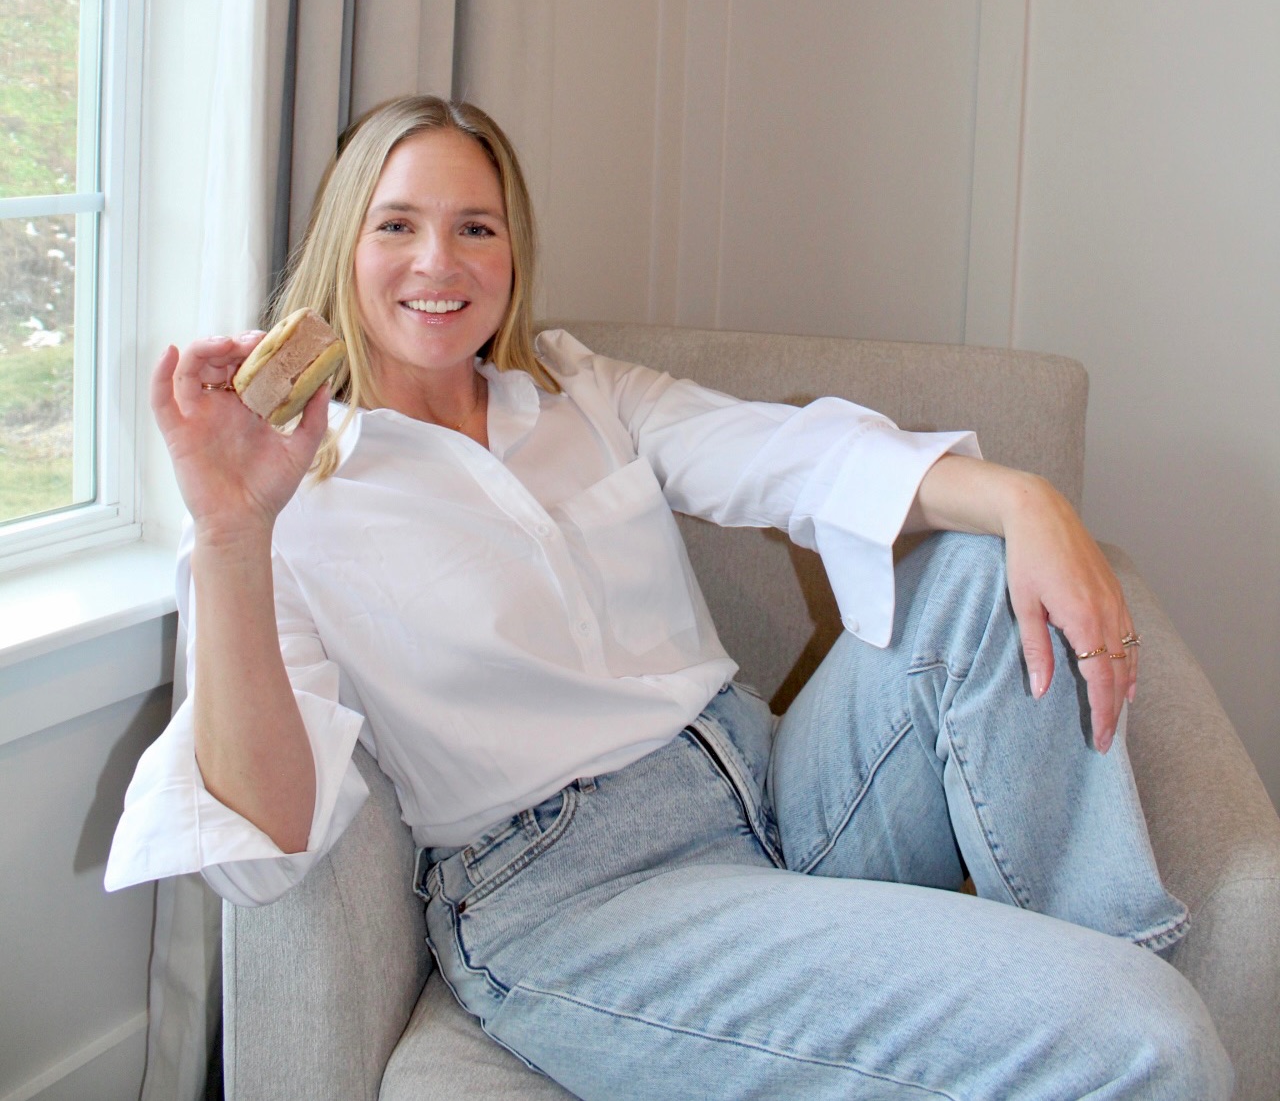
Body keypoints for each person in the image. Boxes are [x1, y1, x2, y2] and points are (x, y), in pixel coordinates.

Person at [107, 95, 1231, 1099]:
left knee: (978, 567)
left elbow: (781, 453)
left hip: (777, 786)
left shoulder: (577, 389)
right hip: (581, 896)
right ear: (342, 248)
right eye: (395, 224)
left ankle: (1095, 958)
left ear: (512, 251)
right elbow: (264, 836)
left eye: (475, 227)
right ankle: (1103, 1022)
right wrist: (231, 530)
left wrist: (1027, 497)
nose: (437, 261)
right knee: (1153, 1042)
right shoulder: (288, 501)